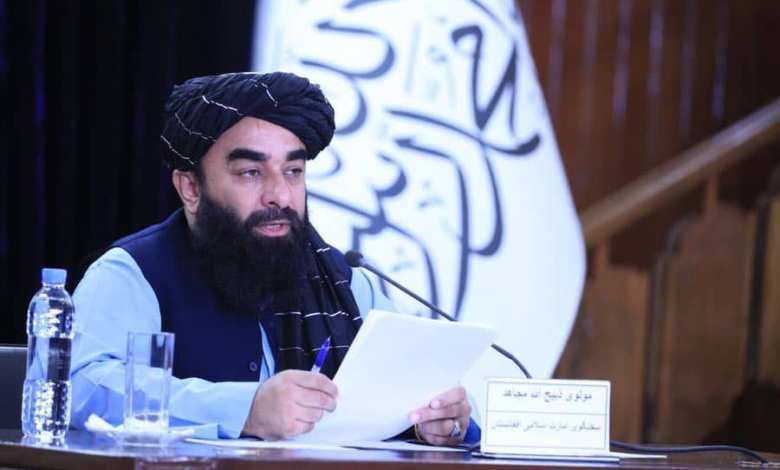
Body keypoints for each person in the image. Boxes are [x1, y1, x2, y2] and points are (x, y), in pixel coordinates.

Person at [70, 72, 475, 445]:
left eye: (293, 171)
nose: (280, 195)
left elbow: (415, 389)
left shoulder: (344, 283)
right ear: (191, 188)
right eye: (251, 172)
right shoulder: (133, 274)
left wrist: (440, 420)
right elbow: (79, 387)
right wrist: (244, 410)